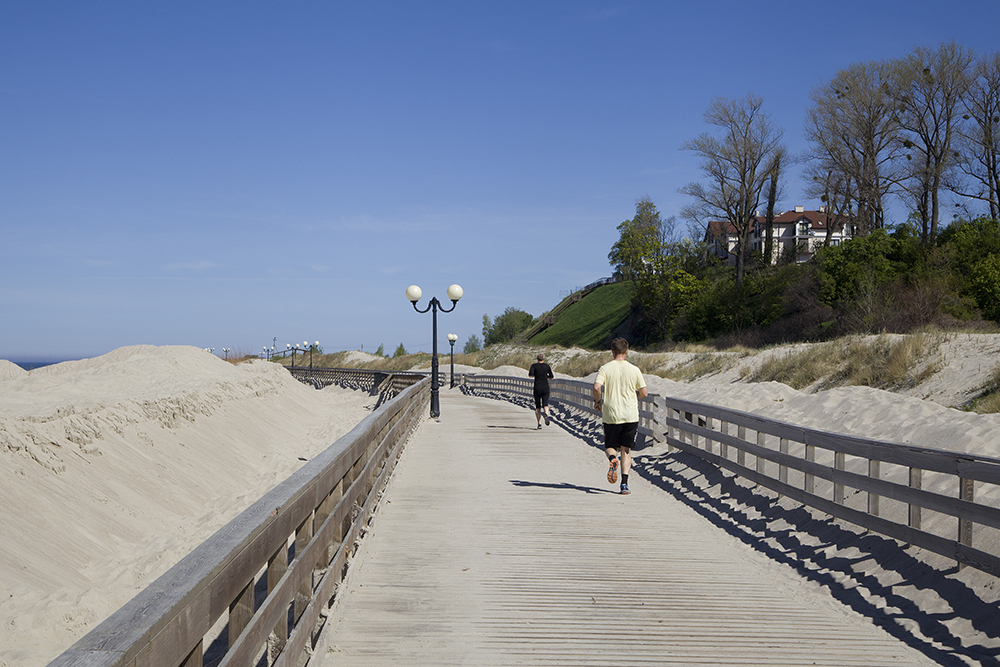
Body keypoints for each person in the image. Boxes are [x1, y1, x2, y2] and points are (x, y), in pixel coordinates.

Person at [592, 338, 647, 495]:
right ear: (627, 351)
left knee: (610, 446)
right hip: (630, 415)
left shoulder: (605, 368)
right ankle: (624, 484)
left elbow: (596, 387)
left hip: (611, 414)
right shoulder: (634, 369)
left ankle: (612, 460)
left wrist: (598, 401)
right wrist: (634, 394)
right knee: (626, 450)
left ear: (612, 351)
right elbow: (644, 393)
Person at [528, 353, 554, 429]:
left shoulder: (534, 366)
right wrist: (547, 376)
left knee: (538, 407)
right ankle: (546, 414)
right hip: (545, 387)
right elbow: (551, 377)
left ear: (537, 359)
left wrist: (536, 374)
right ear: (544, 359)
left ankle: (539, 424)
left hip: (537, 388)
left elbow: (530, 375)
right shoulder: (547, 366)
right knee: (545, 405)